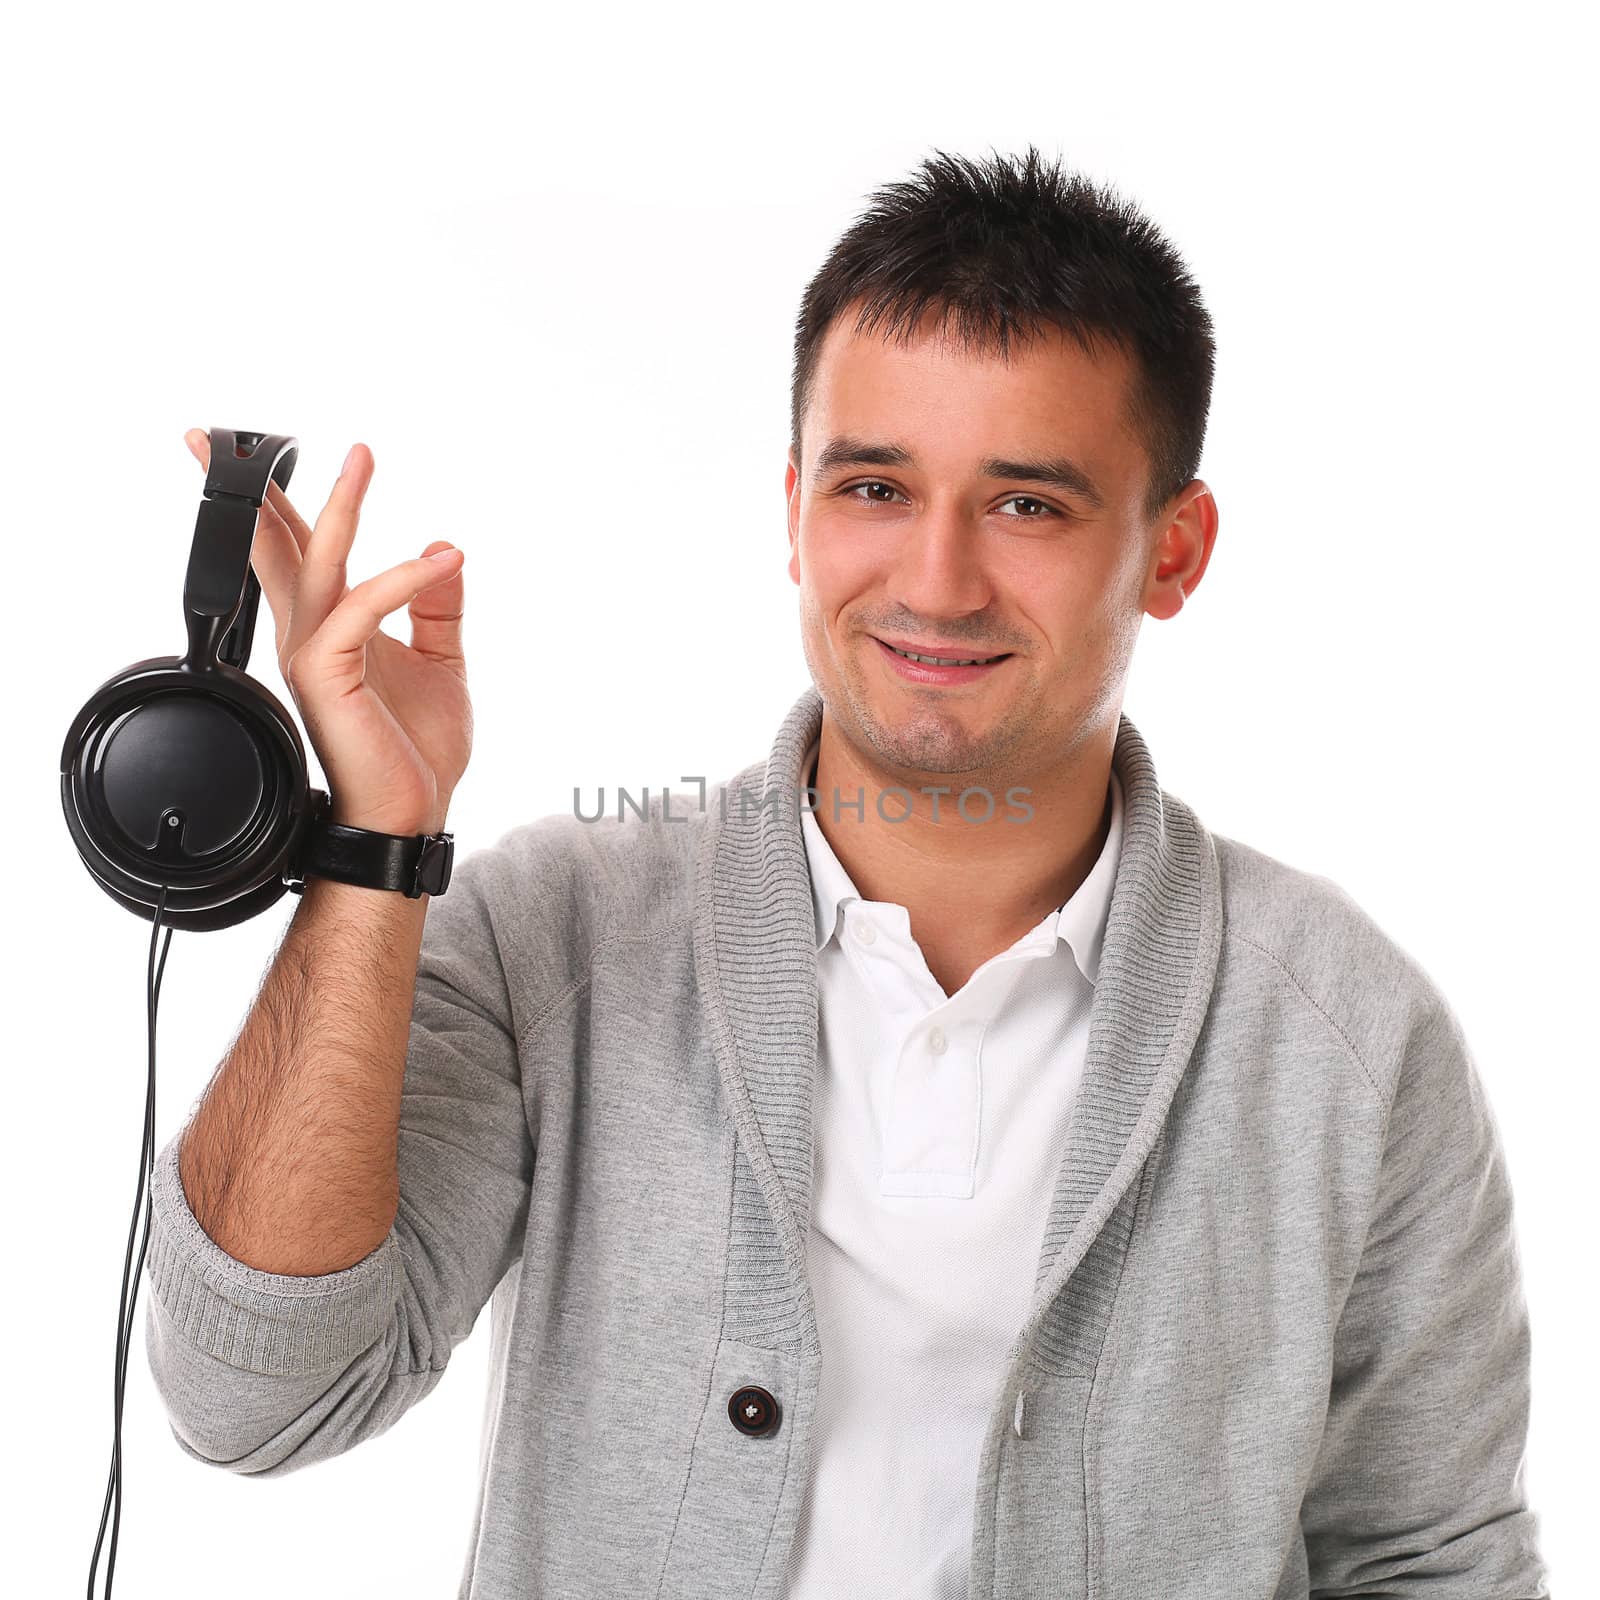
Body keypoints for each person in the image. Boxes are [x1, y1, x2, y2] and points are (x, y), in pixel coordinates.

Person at [144, 147, 1550, 1599]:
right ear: (797, 514)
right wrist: (378, 848)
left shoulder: (1351, 1035)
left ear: (1172, 552)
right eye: (877, 486)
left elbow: (1429, 1555)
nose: (936, 580)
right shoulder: (554, 934)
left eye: (1028, 506)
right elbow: (250, 1396)